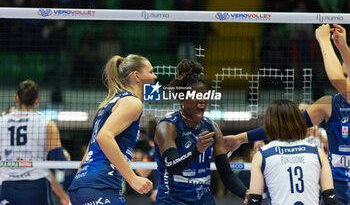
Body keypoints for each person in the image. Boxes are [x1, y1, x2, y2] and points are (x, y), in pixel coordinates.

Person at [224, 24, 350, 205]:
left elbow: (335, 79)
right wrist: (240, 139)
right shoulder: (328, 104)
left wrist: (324, 41)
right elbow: (285, 127)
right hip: (337, 187)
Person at [154, 59, 248, 205]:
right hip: (173, 201)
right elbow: (171, 166)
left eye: (204, 95)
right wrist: (196, 150)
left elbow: (226, 172)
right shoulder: (167, 127)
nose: (202, 101)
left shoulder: (211, 127)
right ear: (181, 98)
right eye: (196, 96)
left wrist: (245, 193)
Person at [68, 54, 156, 204]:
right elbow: (104, 137)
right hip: (102, 185)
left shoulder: (107, 106)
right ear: (137, 76)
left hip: (81, 186)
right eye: (151, 72)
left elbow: (88, 154)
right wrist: (132, 178)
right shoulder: (132, 103)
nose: (155, 77)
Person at [247, 100, 338, 205]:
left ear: (269, 123)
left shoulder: (262, 155)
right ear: (299, 120)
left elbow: (254, 200)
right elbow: (330, 198)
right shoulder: (317, 152)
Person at [0, 80, 67, 204]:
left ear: (16, 98)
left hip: (7, 186)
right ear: (37, 100)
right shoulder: (46, 123)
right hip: (37, 187)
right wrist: (65, 156)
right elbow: (61, 165)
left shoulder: (1, 122)